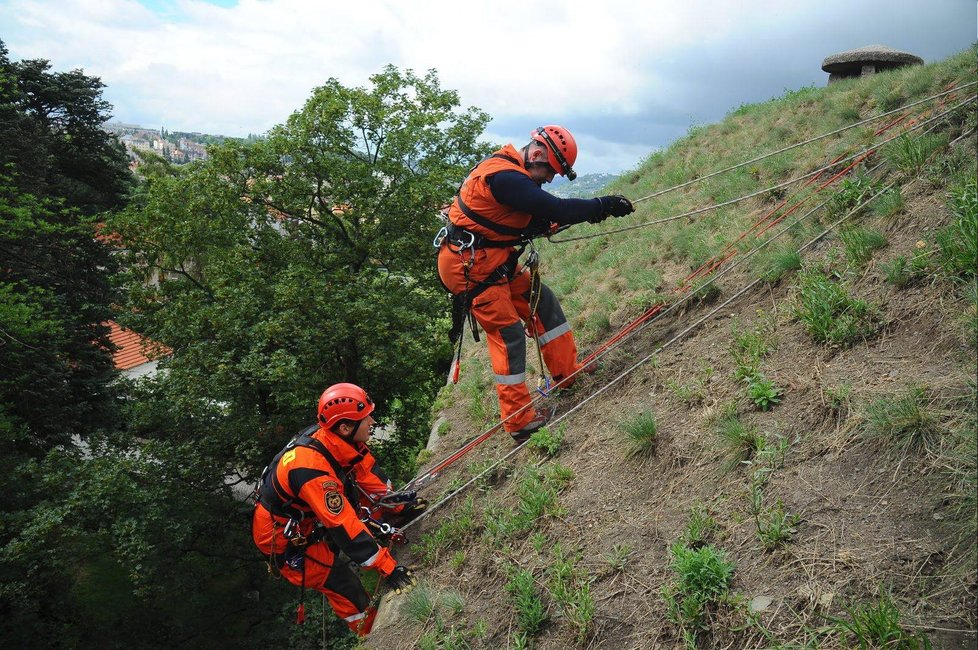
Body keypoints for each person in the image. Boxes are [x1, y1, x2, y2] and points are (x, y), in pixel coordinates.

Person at [437, 125, 635, 443]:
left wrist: (555, 220)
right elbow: (553, 207)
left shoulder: (512, 174)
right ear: (538, 154)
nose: (549, 178)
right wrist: (601, 205)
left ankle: (567, 372)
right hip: (470, 267)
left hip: (492, 257)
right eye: (550, 171)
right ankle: (519, 421)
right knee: (509, 334)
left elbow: (525, 216)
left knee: (542, 302)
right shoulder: (505, 177)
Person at [251, 382, 426, 636]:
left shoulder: (334, 441)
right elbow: (343, 525)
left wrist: (398, 507)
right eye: (367, 418)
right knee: (341, 581)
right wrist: (389, 568)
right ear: (345, 427)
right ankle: (369, 634)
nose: (373, 422)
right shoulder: (311, 469)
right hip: (283, 540)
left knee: (364, 504)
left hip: (304, 518)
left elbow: (366, 474)